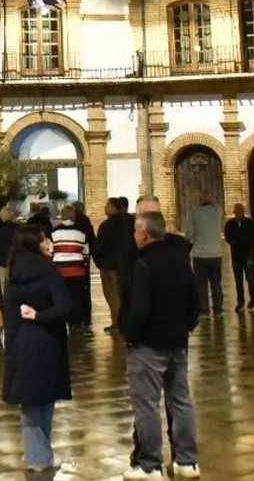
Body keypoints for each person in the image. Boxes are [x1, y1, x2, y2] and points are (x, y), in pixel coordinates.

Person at [121, 211, 200, 481]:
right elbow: (195, 304)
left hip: (149, 346)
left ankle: (150, 465)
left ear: (145, 234)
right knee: (181, 402)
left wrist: (130, 335)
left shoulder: (143, 265)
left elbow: (139, 311)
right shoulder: (181, 261)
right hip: (177, 343)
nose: (134, 236)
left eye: (136, 231)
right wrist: (183, 328)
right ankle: (187, 461)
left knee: (147, 406)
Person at [3, 224, 72, 474]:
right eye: (44, 239)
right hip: (46, 339)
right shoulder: (48, 271)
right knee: (44, 399)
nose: (49, 243)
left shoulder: (13, 270)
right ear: (35, 244)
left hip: (20, 340)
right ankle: (39, 456)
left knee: (30, 400)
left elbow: (10, 312)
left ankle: (39, 451)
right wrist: (40, 315)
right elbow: (64, 307)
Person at [93, 197, 134, 332]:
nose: (105, 208)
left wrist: (97, 259)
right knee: (124, 293)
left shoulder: (106, 225)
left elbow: (100, 245)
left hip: (109, 265)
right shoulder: (131, 221)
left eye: (107, 205)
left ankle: (117, 321)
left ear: (114, 207)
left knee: (112, 294)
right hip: (127, 263)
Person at [182, 189, 224, 318]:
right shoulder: (218, 211)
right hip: (216, 254)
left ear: (200, 199)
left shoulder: (194, 213)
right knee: (216, 284)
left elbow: (189, 235)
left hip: (200, 255)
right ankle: (218, 309)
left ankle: (204, 311)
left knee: (201, 285)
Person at [50, 204, 93, 329]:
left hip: (59, 270)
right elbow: (86, 252)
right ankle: (76, 321)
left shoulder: (54, 232)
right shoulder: (81, 233)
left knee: (61, 295)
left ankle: (62, 320)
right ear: (74, 216)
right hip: (77, 270)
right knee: (77, 296)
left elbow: (50, 251)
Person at [222, 203, 254, 313]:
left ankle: (253, 298)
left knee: (251, 279)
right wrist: (234, 243)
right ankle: (240, 302)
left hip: (248, 255)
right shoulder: (230, 224)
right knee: (238, 281)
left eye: (240, 211)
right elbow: (227, 237)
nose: (238, 214)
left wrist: (251, 247)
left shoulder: (250, 223)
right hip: (236, 256)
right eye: (237, 212)